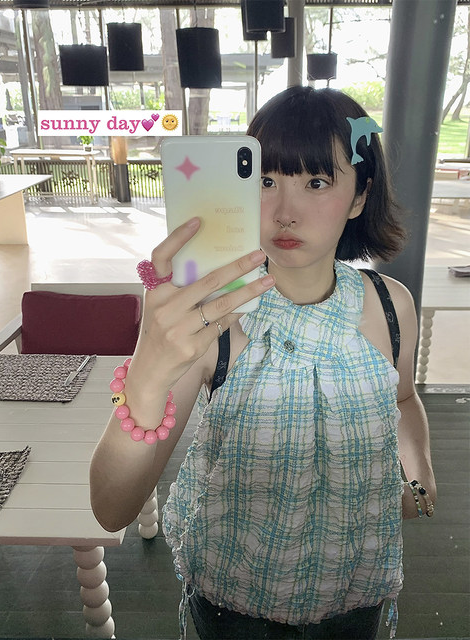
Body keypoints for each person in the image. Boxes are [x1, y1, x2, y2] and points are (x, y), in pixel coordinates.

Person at [90, 86, 436, 640]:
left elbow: (403, 397)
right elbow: (112, 508)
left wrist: (418, 470)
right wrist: (148, 368)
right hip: (234, 604)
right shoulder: (214, 320)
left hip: (358, 590)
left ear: (359, 196)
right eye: (265, 181)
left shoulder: (391, 304)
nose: (284, 212)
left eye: (317, 182)